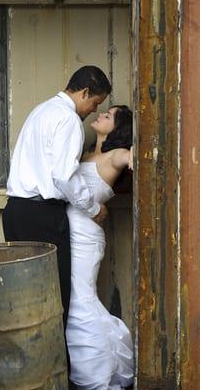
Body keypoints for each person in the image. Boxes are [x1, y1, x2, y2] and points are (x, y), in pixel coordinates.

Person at [2, 66, 111, 330]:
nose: (94, 110)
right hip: (42, 217)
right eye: (95, 103)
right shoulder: (68, 119)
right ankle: (56, 371)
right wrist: (93, 208)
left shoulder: (41, 111)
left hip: (15, 211)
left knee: (24, 300)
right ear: (84, 92)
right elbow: (64, 176)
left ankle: (29, 369)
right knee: (53, 301)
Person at [66, 105, 134, 389]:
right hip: (67, 231)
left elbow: (136, 157)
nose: (102, 114)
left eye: (110, 114)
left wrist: (134, 158)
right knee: (73, 297)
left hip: (86, 237)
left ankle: (95, 375)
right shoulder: (84, 154)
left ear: (117, 128)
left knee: (81, 298)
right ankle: (98, 364)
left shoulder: (115, 156)